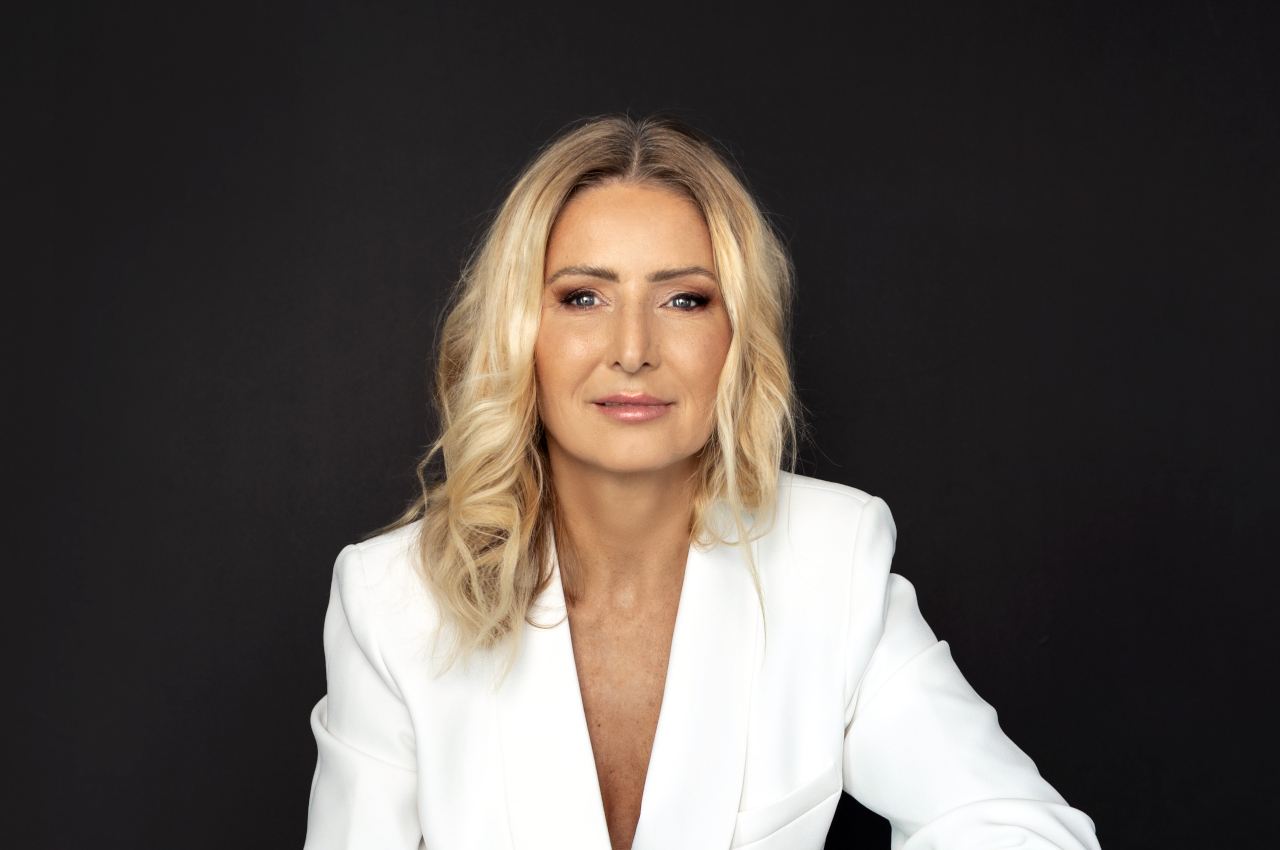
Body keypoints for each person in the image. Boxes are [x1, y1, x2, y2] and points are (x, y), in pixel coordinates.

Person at [303, 115, 1100, 850]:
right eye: (584, 297)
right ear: (521, 334)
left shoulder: (831, 556)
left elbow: (1020, 829)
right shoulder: (390, 599)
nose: (633, 348)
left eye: (685, 299)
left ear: (736, 338)